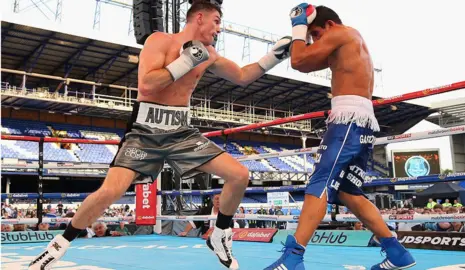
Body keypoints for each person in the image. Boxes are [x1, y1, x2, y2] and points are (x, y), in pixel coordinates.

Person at [28, 1, 292, 269]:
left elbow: (243, 76)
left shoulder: (210, 54)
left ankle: (221, 234)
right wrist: (186, 61)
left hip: (181, 131)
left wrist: (275, 56)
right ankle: (58, 246)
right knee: (110, 191)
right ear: (199, 18)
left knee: (239, 175)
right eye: (216, 21)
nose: (219, 30)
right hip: (145, 130)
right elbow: (147, 83)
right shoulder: (159, 41)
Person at [265, 4, 415, 270]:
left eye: (316, 34)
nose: (314, 41)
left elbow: (299, 62)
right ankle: (397, 253)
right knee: (348, 192)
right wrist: (298, 43)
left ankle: (293, 258)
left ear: (329, 26)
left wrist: (298, 27)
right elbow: (306, 60)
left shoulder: (341, 32)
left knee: (319, 182)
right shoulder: (348, 42)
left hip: (348, 121)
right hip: (362, 123)